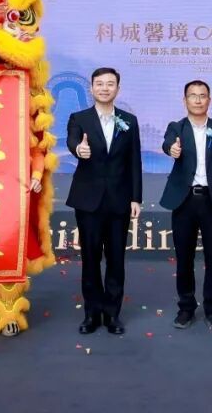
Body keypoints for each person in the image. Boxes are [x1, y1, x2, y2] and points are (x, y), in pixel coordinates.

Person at [66, 67, 142, 335]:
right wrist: (79, 149)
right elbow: (73, 141)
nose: (105, 88)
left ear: (117, 89)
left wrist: (136, 198)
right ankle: (91, 314)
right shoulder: (79, 118)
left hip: (120, 200)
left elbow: (134, 161)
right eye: (99, 84)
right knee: (90, 259)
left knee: (116, 259)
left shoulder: (129, 121)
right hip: (88, 200)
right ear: (91, 88)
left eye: (110, 84)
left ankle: (112, 315)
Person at [160, 80, 212, 331]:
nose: (197, 100)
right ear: (184, 100)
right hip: (184, 201)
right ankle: (186, 308)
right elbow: (167, 144)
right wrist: (172, 149)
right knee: (184, 258)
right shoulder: (176, 127)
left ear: (209, 100)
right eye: (192, 96)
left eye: (202, 95)